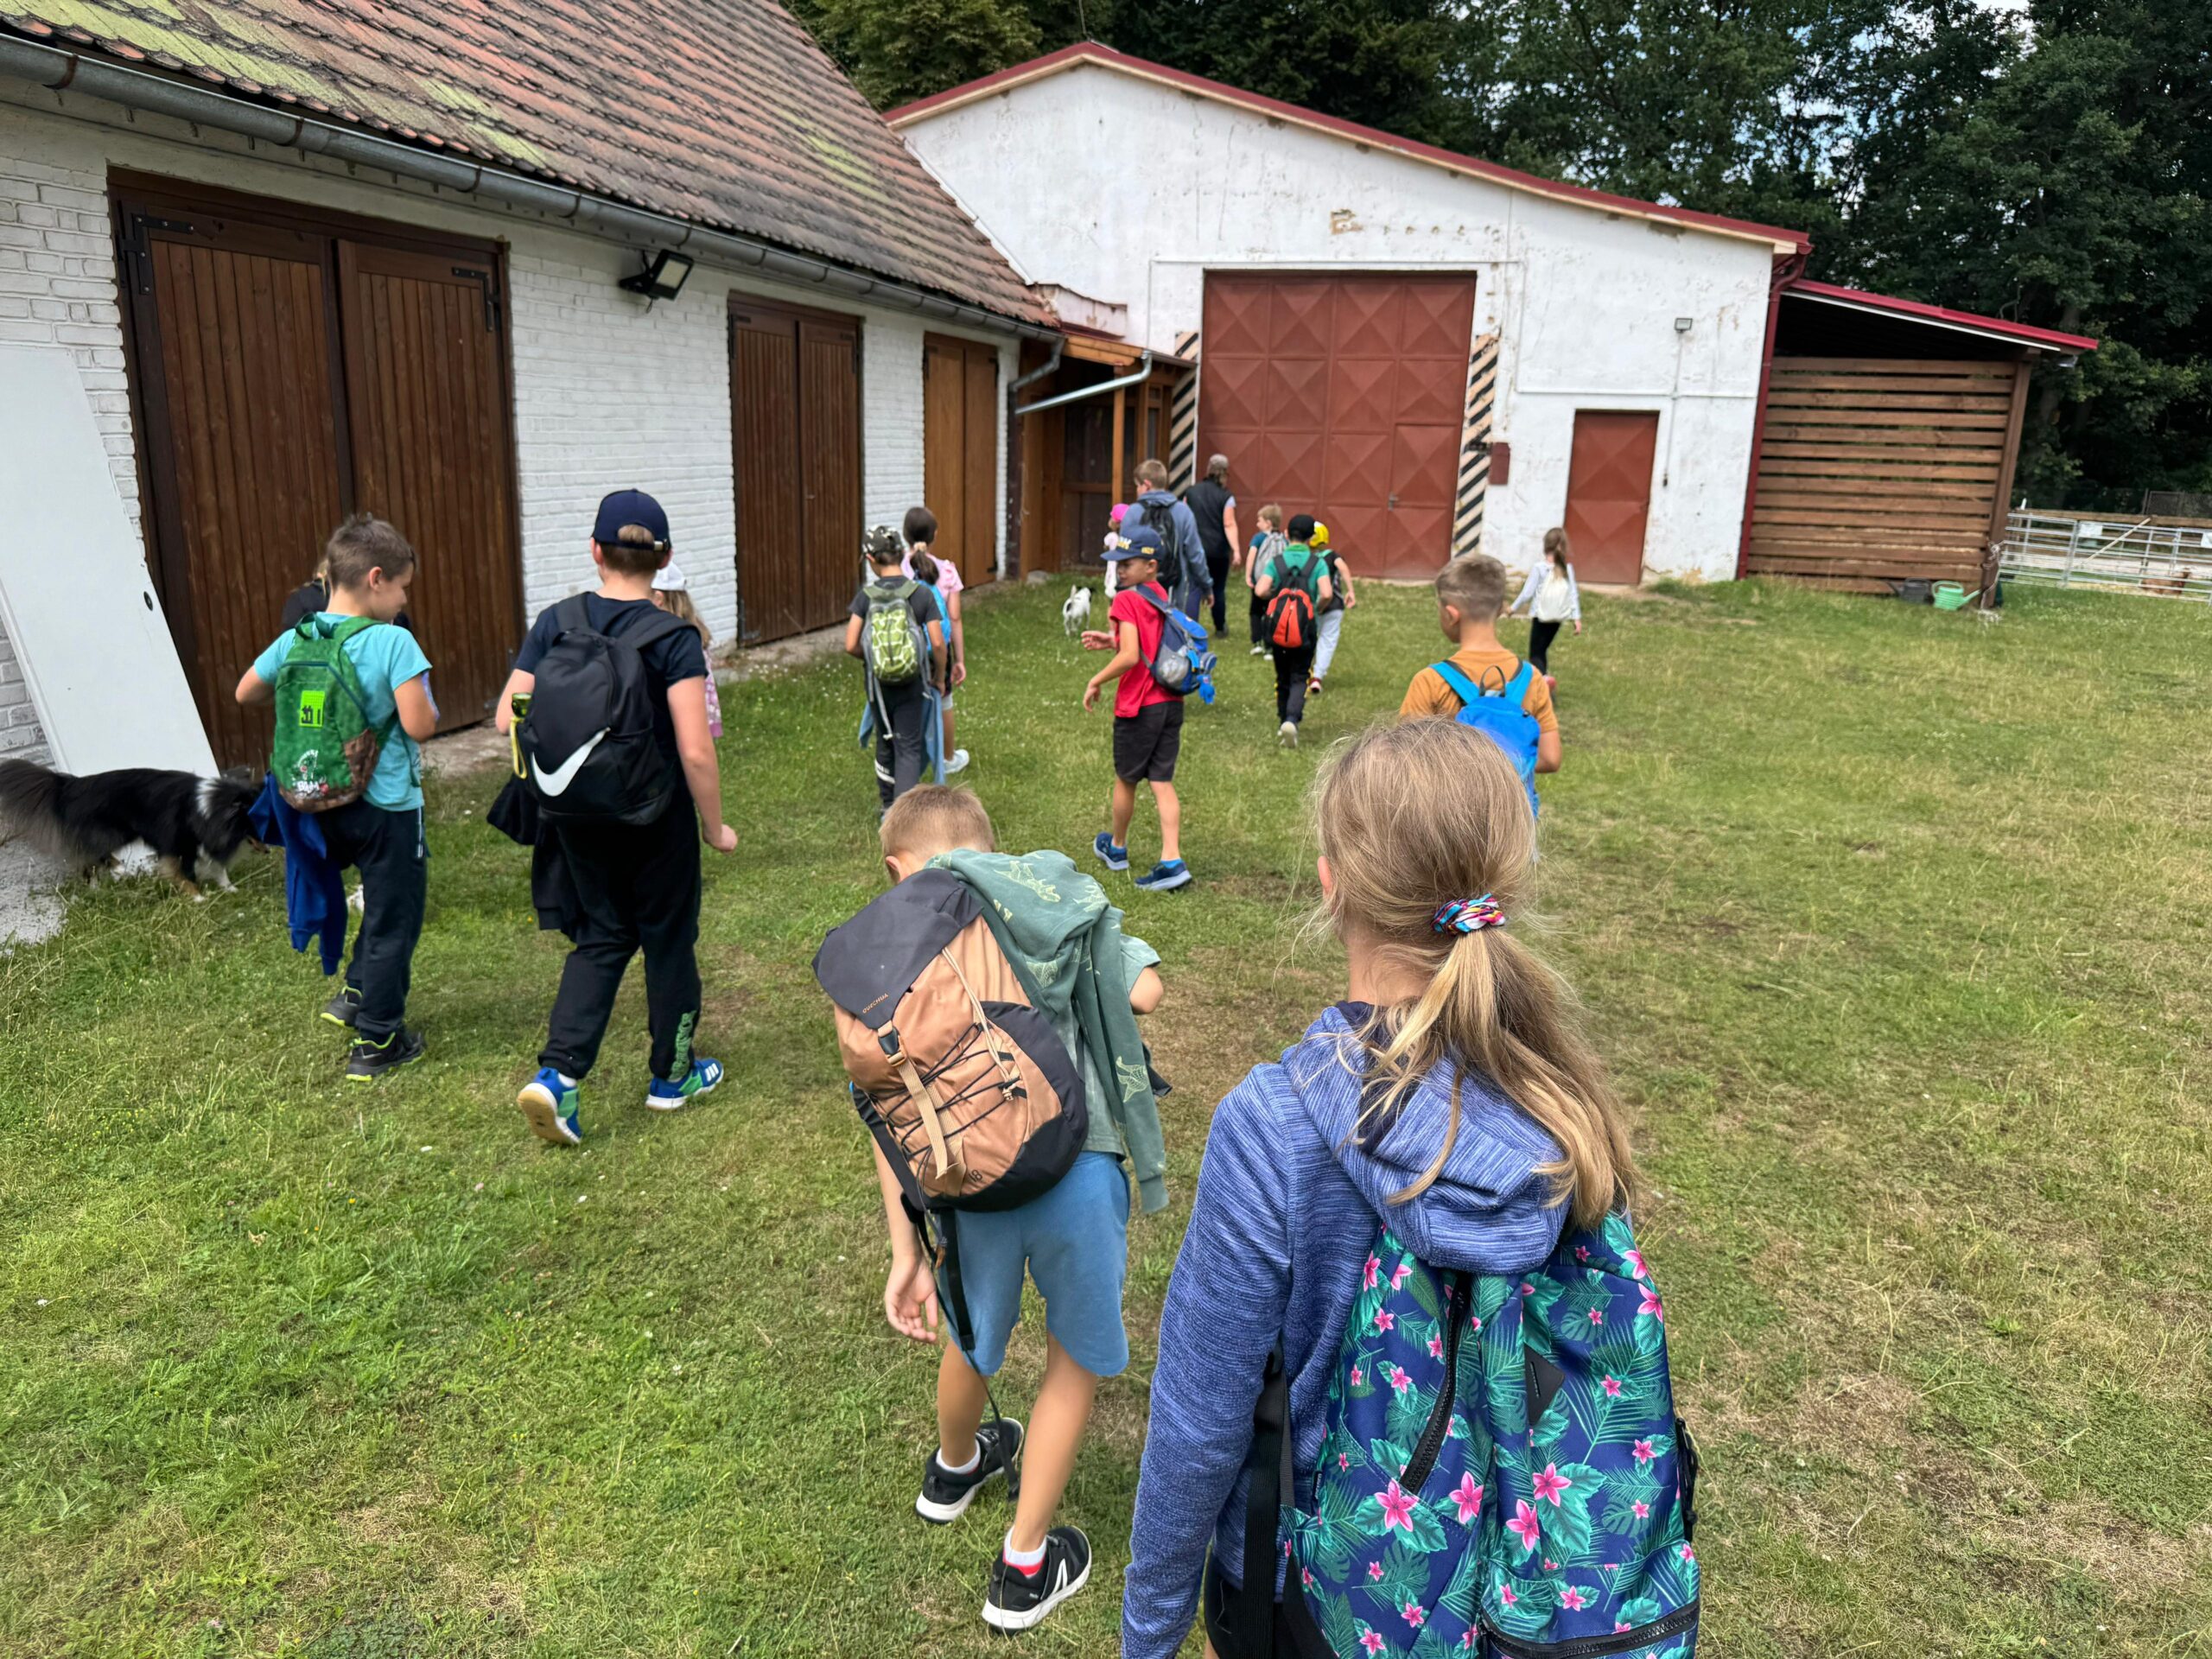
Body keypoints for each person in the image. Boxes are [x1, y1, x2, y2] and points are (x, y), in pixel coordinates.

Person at [1121, 717, 1643, 1659]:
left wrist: (1148, 1637)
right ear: (1504, 884)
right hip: (1526, 1589)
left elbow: (1199, 1426)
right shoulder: (1566, 1106)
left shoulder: (1274, 1125)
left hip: (1302, 1599)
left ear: (1332, 885)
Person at [868, 785, 1168, 1634]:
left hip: (969, 1188)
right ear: (992, 854)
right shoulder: (1040, 904)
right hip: (1081, 1170)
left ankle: (954, 1468)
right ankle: (1026, 1564)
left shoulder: (891, 957)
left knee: (971, 1337)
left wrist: (906, 1252)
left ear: (896, 869)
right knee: (1072, 1358)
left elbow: (889, 1120)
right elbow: (1145, 993)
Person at [496, 489, 737, 1146]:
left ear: (595, 552)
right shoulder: (673, 637)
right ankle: (673, 1076)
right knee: (667, 939)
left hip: (575, 814)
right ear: (665, 557)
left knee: (602, 936)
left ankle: (558, 1076)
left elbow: (506, 715)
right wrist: (714, 828)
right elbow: (695, 748)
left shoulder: (556, 621)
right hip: (656, 817)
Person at [234, 513, 437, 1080]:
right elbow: (420, 726)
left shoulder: (298, 637)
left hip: (317, 804)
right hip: (386, 807)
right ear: (376, 579)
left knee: (384, 907)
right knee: (395, 915)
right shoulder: (394, 642)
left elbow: (246, 692)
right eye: (403, 588)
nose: (404, 600)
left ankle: (355, 994)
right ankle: (378, 1040)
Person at [1081, 525, 1191, 891]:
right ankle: (1172, 860)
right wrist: (1111, 639)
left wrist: (1096, 680)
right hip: (1170, 701)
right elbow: (1146, 642)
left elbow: (1131, 656)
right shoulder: (1161, 596)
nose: (1121, 570)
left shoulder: (1126, 599)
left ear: (1151, 566)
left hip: (1139, 704)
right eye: (1118, 563)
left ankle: (1116, 848)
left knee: (1126, 779)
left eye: (1128, 564)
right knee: (1161, 781)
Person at [1399, 553, 1562, 778]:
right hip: (1510, 801)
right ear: (1500, 609)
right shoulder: (1532, 678)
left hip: (1451, 800)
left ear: (1450, 614)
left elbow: (1407, 760)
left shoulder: (1430, 682)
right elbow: (1550, 758)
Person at [846, 524, 948, 814]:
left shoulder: (866, 596)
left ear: (870, 559)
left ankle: (888, 805)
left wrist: (872, 658)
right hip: (912, 683)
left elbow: (850, 644)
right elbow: (937, 643)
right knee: (909, 747)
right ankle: (903, 817)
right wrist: (939, 677)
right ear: (902, 553)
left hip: (878, 686)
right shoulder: (920, 594)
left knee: (885, 740)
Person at [1252, 512, 1333, 748]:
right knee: (1300, 675)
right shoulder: (1317, 563)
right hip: (1305, 630)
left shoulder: (1277, 561)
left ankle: (1282, 721)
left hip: (1277, 629)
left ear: (1287, 534)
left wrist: (1275, 598)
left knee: (1283, 676)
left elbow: (1260, 590)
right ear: (1311, 537)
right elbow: (1327, 593)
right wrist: (1316, 608)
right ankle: (1291, 719)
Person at [901, 507, 969, 775]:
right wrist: (960, 660)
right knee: (944, 702)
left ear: (905, 535)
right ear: (935, 535)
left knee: (907, 701)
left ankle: (906, 759)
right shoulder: (947, 570)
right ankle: (948, 758)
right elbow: (955, 618)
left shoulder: (898, 569)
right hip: (937, 647)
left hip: (906, 646)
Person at [1123, 459, 1209, 621]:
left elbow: (1124, 555)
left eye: (1138, 486)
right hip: (1174, 589)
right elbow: (1196, 555)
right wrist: (1207, 586)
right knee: (1173, 630)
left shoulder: (1133, 513)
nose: (1137, 490)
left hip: (1139, 590)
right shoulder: (1183, 512)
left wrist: (1120, 589)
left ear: (1146, 485)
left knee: (1140, 630)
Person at [649, 563, 721, 740]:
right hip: (697, 720)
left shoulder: (674, 642)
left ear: (658, 599)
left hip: (678, 723)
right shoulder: (692, 632)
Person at [1509, 526, 1583, 686]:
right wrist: (1576, 618)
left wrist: (1512, 608)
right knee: (1542, 650)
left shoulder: (1540, 568)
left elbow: (1527, 593)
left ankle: (1543, 682)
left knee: (1536, 653)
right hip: (1557, 618)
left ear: (1546, 545)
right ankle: (1543, 681)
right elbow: (1573, 594)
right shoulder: (1567, 569)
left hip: (1540, 616)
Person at [1184, 453, 1241, 638]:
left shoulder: (1191, 492)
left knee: (1194, 588)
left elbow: (1184, 518)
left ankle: (1191, 629)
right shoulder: (1226, 496)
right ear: (1224, 473)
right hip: (1218, 551)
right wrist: (1236, 550)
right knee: (1218, 588)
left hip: (1194, 548)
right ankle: (1220, 627)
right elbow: (1229, 524)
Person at [1305, 520, 1357, 699]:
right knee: (1327, 640)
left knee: (1307, 639)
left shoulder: (1306, 559)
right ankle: (1317, 677)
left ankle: (1304, 672)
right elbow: (1343, 568)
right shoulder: (1331, 555)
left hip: (1311, 606)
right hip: (1334, 605)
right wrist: (1350, 591)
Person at [1243, 504, 1285, 657]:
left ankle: (1257, 642)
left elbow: (1252, 555)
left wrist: (1248, 575)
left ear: (1268, 523)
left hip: (1259, 582)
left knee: (1255, 611)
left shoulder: (1259, 538)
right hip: (1276, 585)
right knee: (1272, 613)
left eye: (1259, 520)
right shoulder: (1282, 539)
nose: (1257, 524)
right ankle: (1270, 646)